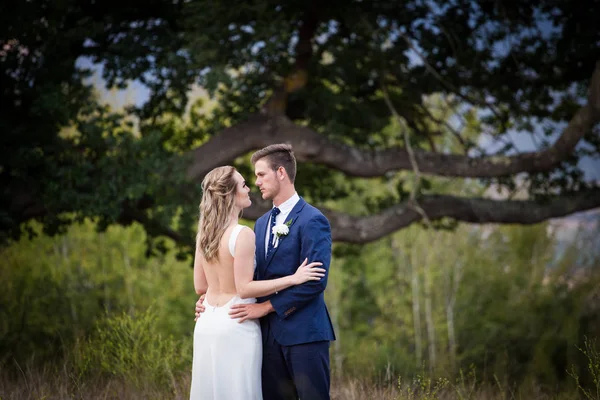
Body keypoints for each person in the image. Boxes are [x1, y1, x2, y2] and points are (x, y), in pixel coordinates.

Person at [195, 144, 336, 400]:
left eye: (261, 174)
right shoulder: (260, 224)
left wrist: (267, 306)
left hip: (304, 334)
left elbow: (315, 281)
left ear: (281, 172)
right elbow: (246, 278)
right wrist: (211, 300)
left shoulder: (313, 220)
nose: (256, 181)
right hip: (266, 338)